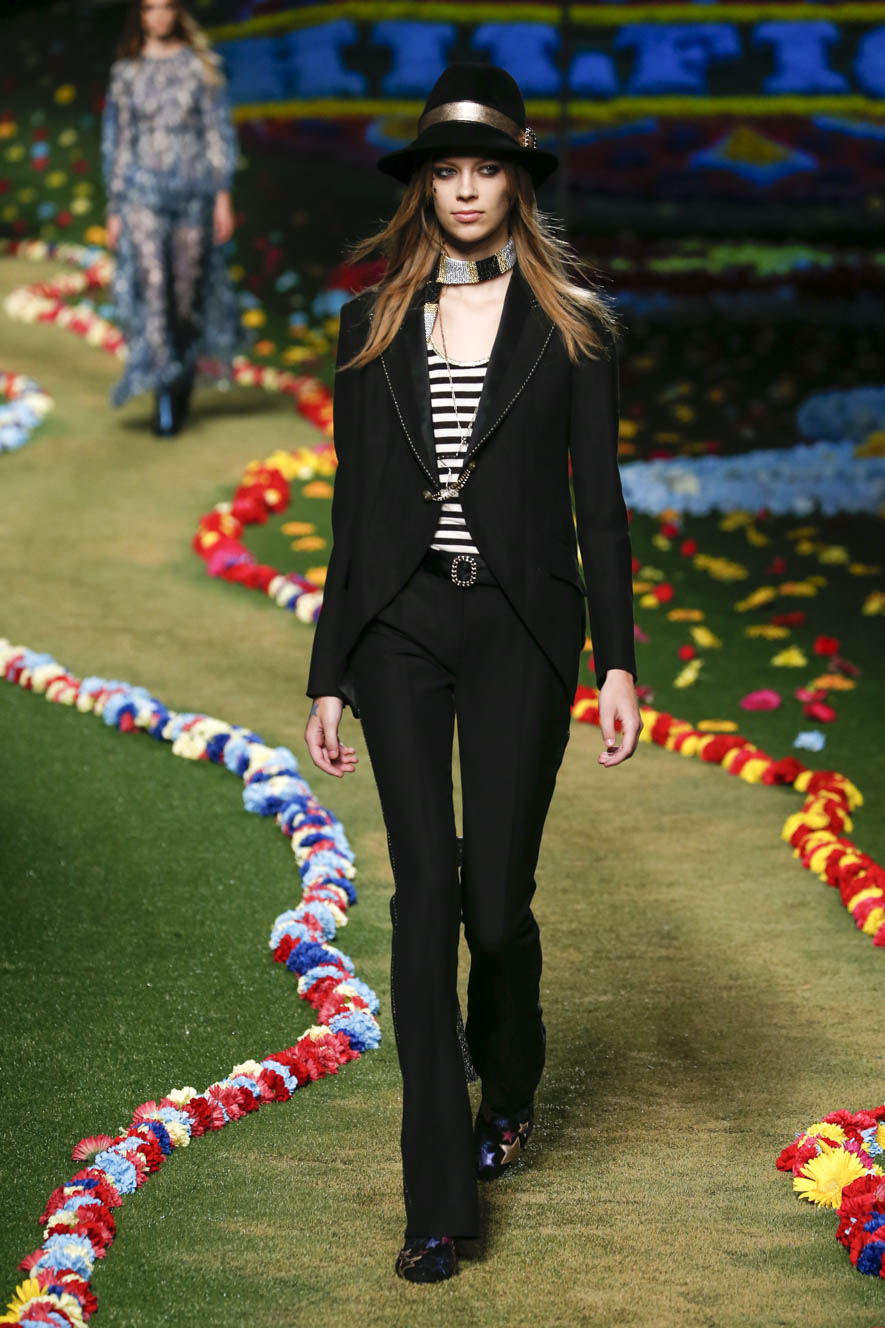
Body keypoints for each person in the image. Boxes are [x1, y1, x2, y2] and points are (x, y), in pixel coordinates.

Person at [304, 63, 642, 1284]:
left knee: (495, 904)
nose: (463, 190)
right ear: (423, 186)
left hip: (520, 628)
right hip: (399, 626)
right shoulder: (371, 325)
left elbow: (598, 506)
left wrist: (618, 661)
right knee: (422, 901)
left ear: (517, 182)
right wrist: (329, 667)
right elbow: (356, 505)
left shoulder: (574, 325)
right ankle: (439, 1202)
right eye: (445, 170)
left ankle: (512, 1083)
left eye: (485, 169)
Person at [100, 0, 242, 436]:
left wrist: (222, 196)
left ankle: (181, 378)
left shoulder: (200, 67)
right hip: (141, 195)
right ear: (140, 15)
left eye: (164, 7)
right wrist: (115, 206)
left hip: (193, 194)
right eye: (149, 8)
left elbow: (216, 132)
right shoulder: (127, 72)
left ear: (176, 11)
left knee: (185, 297)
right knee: (154, 288)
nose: (157, 16)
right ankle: (164, 389)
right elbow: (118, 140)